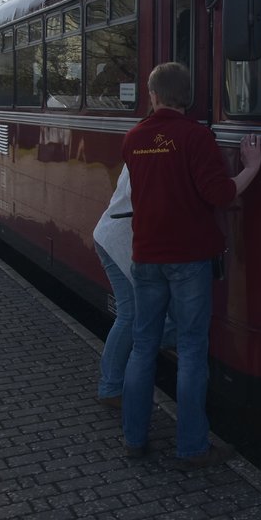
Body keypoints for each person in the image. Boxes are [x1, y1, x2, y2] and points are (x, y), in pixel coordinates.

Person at [121, 62, 261, 468]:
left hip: (146, 256)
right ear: (187, 96)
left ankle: (133, 438)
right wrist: (251, 166)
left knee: (143, 346)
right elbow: (219, 194)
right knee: (191, 350)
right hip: (189, 260)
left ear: (153, 95)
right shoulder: (196, 138)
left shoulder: (132, 139)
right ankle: (191, 447)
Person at [92, 167, 174, 408]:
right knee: (130, 314)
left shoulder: (152, 144)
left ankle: (115, 383)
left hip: (120, 241)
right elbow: (137, 193)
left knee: (136, 315)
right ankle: (110, 388)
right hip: (118, 242)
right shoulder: (149, 149)